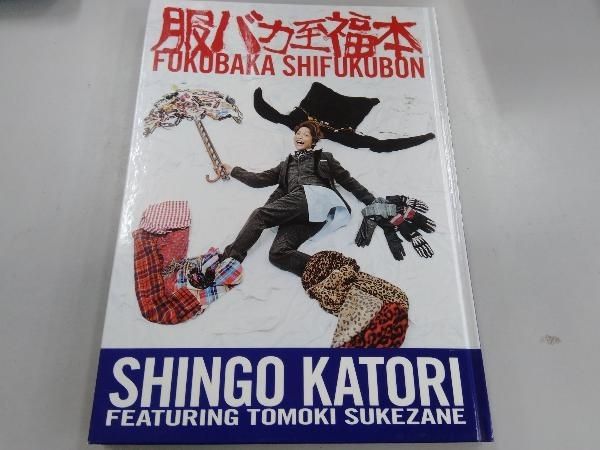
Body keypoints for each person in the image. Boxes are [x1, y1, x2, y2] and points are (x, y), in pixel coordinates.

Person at [220, 121, 375, 276]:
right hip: (303, 212)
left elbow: (348, 180)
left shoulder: (324, 157)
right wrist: (232, 170)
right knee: (278, 254)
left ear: (313, 141)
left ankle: (229, 259)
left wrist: (371, 201)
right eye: (298, 133)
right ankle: (330, 274)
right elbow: (258, 179)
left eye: (306, 135)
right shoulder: (285, 165)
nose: (300, 136)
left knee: (260, 215)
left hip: (313, 198)